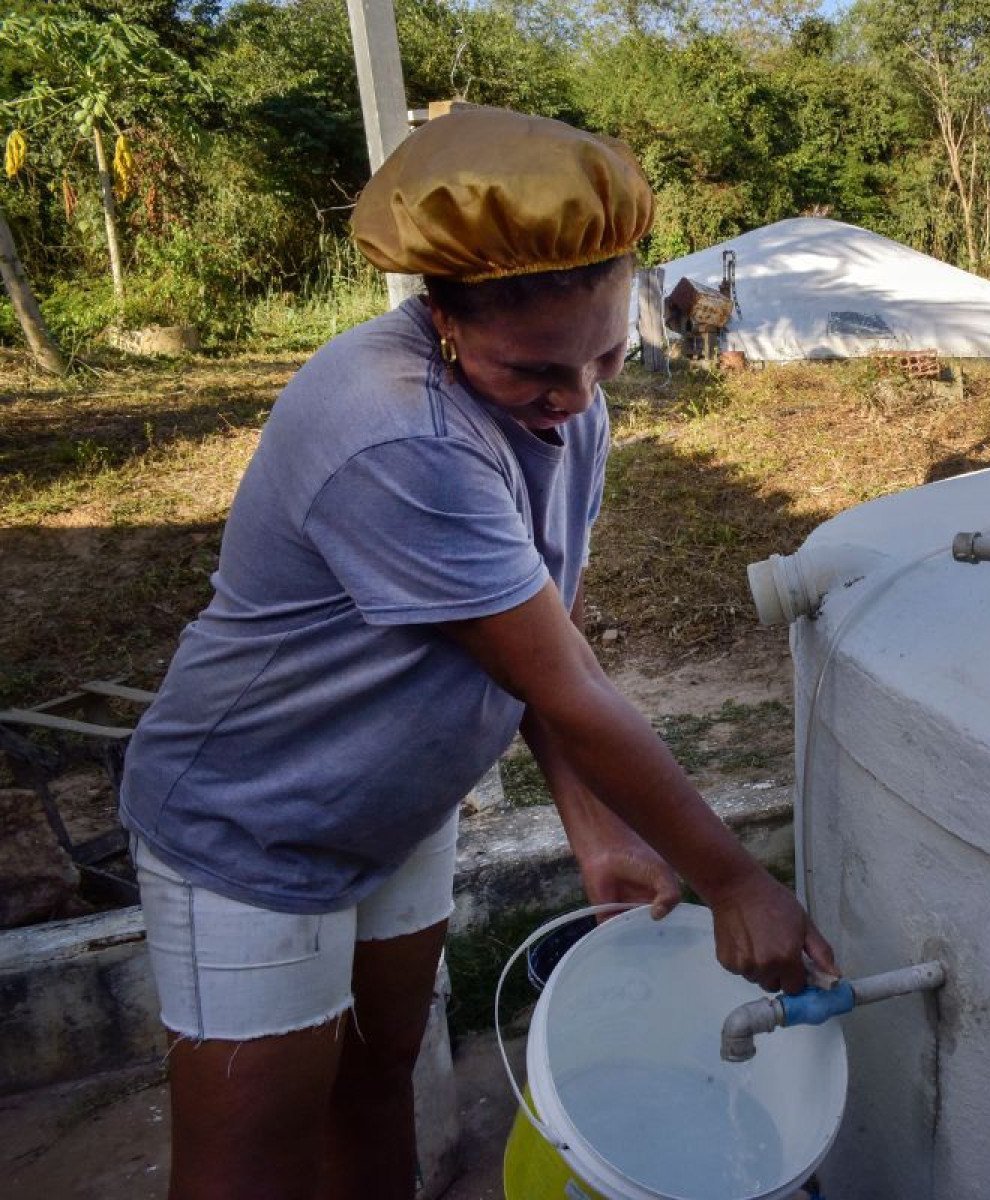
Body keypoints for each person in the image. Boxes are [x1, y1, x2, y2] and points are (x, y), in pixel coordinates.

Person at [117, 107, 836, 1200]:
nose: (577, 397)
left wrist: (594, 834)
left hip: (400, 809)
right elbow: (570, 687)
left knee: (378, 1089)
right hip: (253, 823)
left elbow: (550, 641)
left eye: (605, 354)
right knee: (249, 1169)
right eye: (535, 371)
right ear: (441, 320)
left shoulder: (567, 410)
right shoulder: (398, 431)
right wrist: (732, 879)